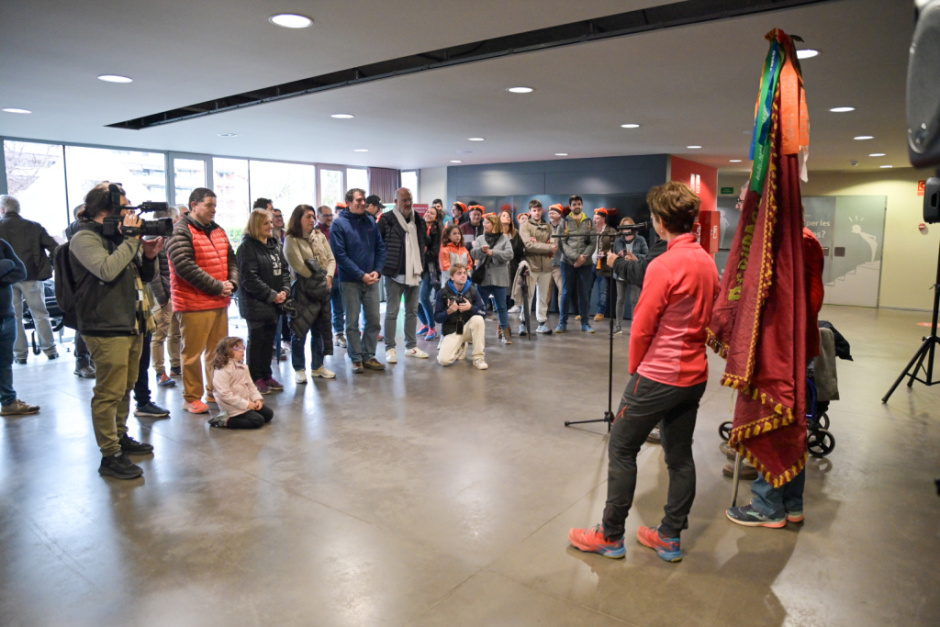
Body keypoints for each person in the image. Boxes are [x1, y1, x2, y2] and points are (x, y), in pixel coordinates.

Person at [568, 181, 719, 562]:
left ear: (661, 222)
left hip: (658, 375)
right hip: (694, 375)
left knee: (621, 445)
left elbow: (642, 326)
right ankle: (669, 536)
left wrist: (637, 372)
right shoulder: (705, 260)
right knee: (680, 456)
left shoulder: (665, 264)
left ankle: (610, 535)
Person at [725, 225, 825, 528]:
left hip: (783, 349)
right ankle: (791, 503)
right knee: (791, 423)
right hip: (787, 346)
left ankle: (768, 505)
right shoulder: (795, 239)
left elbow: (809, 298)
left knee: (774, 421)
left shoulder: (794, 241)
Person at [70, 182, 162, 480]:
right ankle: (109, 454)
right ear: (108, 208)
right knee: (109, 392)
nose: (131, 209)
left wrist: (148, 255)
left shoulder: (119, 237)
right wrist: (133, 240)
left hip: (131, 321)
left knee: (125, 386)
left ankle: (120, 439)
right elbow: (108, 270)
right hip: (105, 325)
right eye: (126, 203)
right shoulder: (84, 238)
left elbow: (141, 276)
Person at [167, 187, 238, 415]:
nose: (213, 210)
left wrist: (232, 283)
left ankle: (214, 390)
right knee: (192, 354)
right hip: (194, 303)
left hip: (219, 301)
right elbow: (185, 267)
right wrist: (218, 285)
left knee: (218, 353)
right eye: (209, 205)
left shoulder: (218, 231)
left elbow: (232, 261)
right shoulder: (180, 230)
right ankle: (191, 397)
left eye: (215, 206)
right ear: (193, 205)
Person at [330, 188, 386, 373]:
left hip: (372, 279)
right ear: (348, 201)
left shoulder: (370, 221)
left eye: (364, 200)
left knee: (374, 321)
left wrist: (377, 271)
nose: (363, 203)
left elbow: (380, 248)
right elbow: (341, 256)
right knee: (352, 322)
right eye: (359, 200)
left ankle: (368, 355)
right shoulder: (339, 224)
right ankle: (356, 358)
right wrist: (360, 274)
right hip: (350, 281)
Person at [235, 209, 289, 394]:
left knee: (269, 341)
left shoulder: (274, 245)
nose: (270, 226)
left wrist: (284, 291)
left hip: (274, 303)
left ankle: (266, 375)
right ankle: (254, 378)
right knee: (257, 340)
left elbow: (284, 271)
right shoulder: (246, 248)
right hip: (255, 303)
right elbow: (249, 278)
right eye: (266, 223)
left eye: (271, 223)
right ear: (256, 225)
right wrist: (271, 294)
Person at [0, 194, 59, 363]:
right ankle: (50, 350)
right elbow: (54, 247)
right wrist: (48, 265)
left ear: (3, 210)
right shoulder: (34, 226)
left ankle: (20, 355)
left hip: (7, 279)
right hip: (32, 277)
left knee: (15, 317)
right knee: (40, 314)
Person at [284, 204, 336, 382]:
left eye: (313, 217)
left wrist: (328, 276)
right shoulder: (292, 239)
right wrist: (320, 280)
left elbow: (330, 259)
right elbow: (298, 266)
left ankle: (318, 366)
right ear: (298, 219)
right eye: (308, 217)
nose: (312, 220)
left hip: (322, 290)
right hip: (303, 290)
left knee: (319, 331)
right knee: (299, 330)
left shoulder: (319, 236)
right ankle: (299, 369)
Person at [378, 188, 429, 363]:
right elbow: (379, 244)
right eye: (404, 200)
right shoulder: (386, 220)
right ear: (396, 201)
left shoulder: (419, 221)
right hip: (393, 274)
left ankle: (411, 346)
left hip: (415, 273)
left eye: (410, 200)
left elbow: (425, 243)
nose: (408, 203)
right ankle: (390, 348)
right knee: (392, 312)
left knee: (412, 312)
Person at [0, 235, 40, 416]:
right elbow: (11, 267)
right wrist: (6, 264)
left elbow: (21, 271)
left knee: (5, 363)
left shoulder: (1, 243)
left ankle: (8, 402)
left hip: (6, 315)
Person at [149, 205, 184, 386]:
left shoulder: (171, 239)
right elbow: (153, 275)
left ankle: (176, 366)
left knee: (175, 332)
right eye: (177, 217)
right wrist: (163, 298)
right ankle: (159, 371)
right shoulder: (152, 240)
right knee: (160, 334)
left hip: (173, 293)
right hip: (162, 296)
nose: (179, 220)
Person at [208, 337, 274, 429]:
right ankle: (224, 420)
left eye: (243, 347)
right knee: (257, 421)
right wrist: (246, 404)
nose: (242, 350)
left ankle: (247, 413)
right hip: (231, 406)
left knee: (268, 414)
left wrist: (257, 399)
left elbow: (251, 386)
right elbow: (225, 395)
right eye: (238, 348)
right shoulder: (222, 370)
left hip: (245, 402)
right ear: (227, 352)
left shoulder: (243, 367)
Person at [434, 263, 487, 370]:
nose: (463, 276)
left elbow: (483, 313)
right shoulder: (442, 293)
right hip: (453, 331)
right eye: (459, 273)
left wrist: (471, 307)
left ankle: (478, 358)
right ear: (452, 277)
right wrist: (448, 312)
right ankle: (461, 346)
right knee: (443, 361)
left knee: (478, 319)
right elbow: (437, 318)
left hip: (468, 329)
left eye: (464, 273)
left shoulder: (473, 291)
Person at [471, 214, 513, 344]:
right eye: (484, 222)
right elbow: (473, 253)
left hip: (500, 278)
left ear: (494, 225)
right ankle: (477, 335)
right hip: (483, 279)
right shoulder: (480, 238)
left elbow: (510, 254)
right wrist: (481, 251)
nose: (484, 225)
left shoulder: (504, 239)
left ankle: (505, 333)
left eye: (487, 223)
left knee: (501, 307)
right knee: (480, 307)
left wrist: (494, 253)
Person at [556, 195, 596, 334]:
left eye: (579, 204)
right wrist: (575, 258)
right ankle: (562, 323)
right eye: (574, 204)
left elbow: (593, 242)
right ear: (570, 207)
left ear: (582, 205)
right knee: (566, 292)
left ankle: (585, 323)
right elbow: (562, 243)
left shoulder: (589, 221)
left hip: (586, 263)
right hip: (567, 263)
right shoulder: (564, 222)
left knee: (584, 293)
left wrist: (583, 258)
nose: (577, 206)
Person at [66, 204, 95, 378]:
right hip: (81, 288)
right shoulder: (76, 231)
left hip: (93, 285)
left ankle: (89, 361)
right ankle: (82, 362)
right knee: (82, 327)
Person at [519, 200, 555, 334]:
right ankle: (523, 323)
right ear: (530, 211)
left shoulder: (549, 226)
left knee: (543, 297)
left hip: (546, 266)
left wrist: (539, 244)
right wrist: (547, 246)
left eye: (539, 210)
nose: (537, 212)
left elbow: (554, 245)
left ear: (542, 211)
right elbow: (528, 245)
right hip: (530, 265)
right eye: (534, 210)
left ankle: (542, 322)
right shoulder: (525, 226)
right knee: (527, 296)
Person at [612, 217, 649, 335]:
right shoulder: (618, 241)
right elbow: (615, 255)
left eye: (628, 227)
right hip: (621, 272)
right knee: (620, 299)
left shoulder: (641, 240)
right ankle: (618, 326)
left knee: (635, 300)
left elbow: (647, 255)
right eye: (624, 228)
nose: (626, 230)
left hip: (635, 271)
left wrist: (634, 256)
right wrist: (619, 255)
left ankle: (635, 326)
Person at [318, 204, 346, 349]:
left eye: (330, 215)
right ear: (319, 217)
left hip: (339, 275)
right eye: (326, 215)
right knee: (324, 309)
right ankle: (324, 337)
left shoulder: (336, 230)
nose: (329, 218)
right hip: (324, 278)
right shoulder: (315, 234)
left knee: (339, 308)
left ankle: (339, 334)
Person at [418, 202, 443, 342]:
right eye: (427, 212)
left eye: (432, 213)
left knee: (423, 297)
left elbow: (434, 253)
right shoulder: (419, 228)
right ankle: (425, 324)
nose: (428, 214)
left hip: (430, 268)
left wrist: (420, 256)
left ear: (436, 217)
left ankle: (432, 328)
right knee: (413, 298)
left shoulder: (437, 231)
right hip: (417, 267)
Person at [590, 208, 616, 322]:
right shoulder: (590, 231)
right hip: (590, 264)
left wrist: (604, 253)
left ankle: (600, 312)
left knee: (603, 290)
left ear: (603, 219)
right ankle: (583, 312)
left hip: (604, 265)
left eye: (597, 218)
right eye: (594, 218)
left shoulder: (611, 231)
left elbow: (616, 246)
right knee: (586, 289)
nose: (595, 220)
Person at [499, 208, 526, 314]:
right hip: (499, 265)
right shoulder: (495, 233)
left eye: (508, 216)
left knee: (512, 285)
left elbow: (520, 252)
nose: (507, 217)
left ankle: (514, 304)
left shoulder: (515, 234)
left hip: (512, 264)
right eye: (504, 215)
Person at [547, 203, 565, 315]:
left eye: (553, 212)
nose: (551, 214)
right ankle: (543, 315)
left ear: (559, 214)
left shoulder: (566, 226)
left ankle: (562, 314)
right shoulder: (545, 226)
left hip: (560, 263)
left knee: (562, 290)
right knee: (545, 291)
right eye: (549, 213)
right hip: (547, 263)